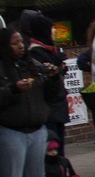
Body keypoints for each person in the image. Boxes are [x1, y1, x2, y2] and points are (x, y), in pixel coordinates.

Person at [0, 26, 63, 177]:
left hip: (37, 129)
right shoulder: (3, 68)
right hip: (11, 131)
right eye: (15, 43)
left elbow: (51, 95)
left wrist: (54, 77)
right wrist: (14, 89)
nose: (20, 46)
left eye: (21, 42)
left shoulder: (32, 65)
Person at [25, 12, 69, 152]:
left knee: (59, 146)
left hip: (57, 106)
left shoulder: (51, 50)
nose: (54, 32)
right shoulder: (36, 52)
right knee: (52, 148)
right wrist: (58, 68)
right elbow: (47, 76)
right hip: (49, 108)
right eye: (51, 29)